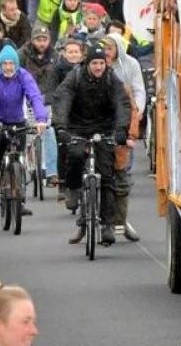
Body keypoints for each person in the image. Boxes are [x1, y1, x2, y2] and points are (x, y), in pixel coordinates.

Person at [53, 44, 131, 245]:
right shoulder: (75, 77)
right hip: (77, 126)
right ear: (87, 63)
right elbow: (62, 99)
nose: (98, 67)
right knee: (76, 156)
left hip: (104, 128)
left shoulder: (111, 79)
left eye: (101, 63)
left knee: (106, 176)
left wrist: (122, 130)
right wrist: (61, 127)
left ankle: (107, 225)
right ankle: (73, 190)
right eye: (94, 63)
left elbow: (122, 103)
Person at [0, 46, 49, 211]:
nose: (8, 67)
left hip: (18, 120)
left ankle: (19, 200)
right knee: (1, 144)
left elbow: (35, 97)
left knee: (19, 157)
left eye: (11, 64)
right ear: (0, 65)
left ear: (16, 64)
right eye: (5, 64)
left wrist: (41, 119)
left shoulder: (24, 76)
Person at [101, 34, 146, 242]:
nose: (106, 55)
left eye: (110, 49)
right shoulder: (87, 73)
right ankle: (86, 221)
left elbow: (134, 100)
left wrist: (131, 132)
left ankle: (120, 222)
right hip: (95, 129)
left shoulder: (128, 72)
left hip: (121, 129)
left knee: (121, 179)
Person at [18, 25, 60, 187]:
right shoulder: (22, 55)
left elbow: (59, 81)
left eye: (45, 40)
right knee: (23, 133)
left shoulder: (55, 56)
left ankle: (51, 172)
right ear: (32, 40)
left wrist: (49, 97)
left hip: (47, 101)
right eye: (38, 40)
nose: (42, 43)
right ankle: (21, 169)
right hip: (26, 100)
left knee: (49, 131)